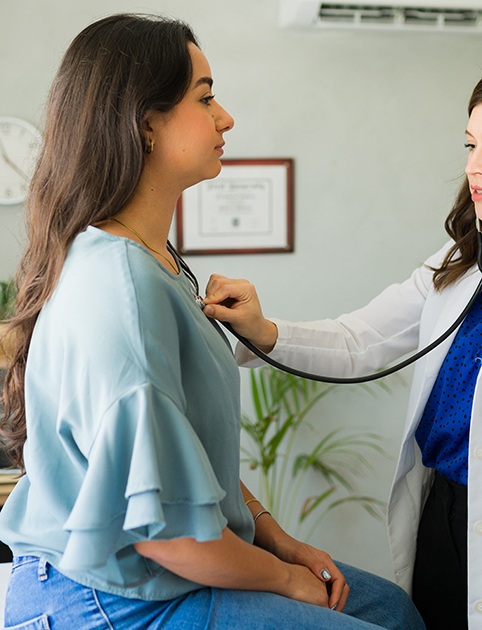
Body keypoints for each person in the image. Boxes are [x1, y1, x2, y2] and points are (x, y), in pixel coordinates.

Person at [0, 13, 424, 630]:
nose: (225, 117)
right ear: (146, 125)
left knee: (391, 609)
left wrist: (277, 539)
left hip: (163, 564)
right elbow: (172, 539)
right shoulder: (119, 290)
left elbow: (183, 463)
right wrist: (285, 580)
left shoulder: (159, 265)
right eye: (205, 97)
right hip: (109, 593)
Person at [202, 78, 482, 630]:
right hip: (447, 513)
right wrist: (263, 331)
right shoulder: (457, 264)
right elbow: (360, 341)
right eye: (472, 146)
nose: (477, 169)